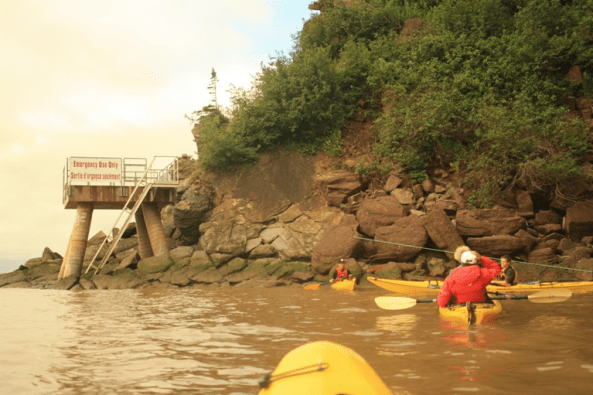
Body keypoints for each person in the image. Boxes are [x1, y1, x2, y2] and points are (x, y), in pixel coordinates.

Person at [437, 247, 501, 307]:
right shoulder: (484, 274)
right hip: (481, 305)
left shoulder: (450, 278)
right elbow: (497, 269)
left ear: (461, 262)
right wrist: (482, 258)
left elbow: (441, 302)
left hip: (459, 308)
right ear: (476, 261)